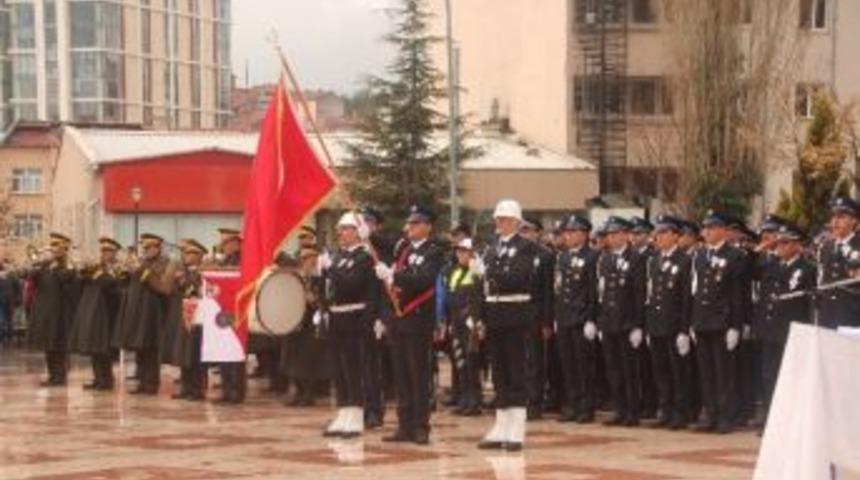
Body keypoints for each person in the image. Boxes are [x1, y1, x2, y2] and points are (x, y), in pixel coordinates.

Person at [375, 205, 444, 446]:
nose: (410, 227)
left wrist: (394, 275)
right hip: (399, 319)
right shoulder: (402, 250)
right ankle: (404, 425)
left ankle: (420, 426)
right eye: (410, 223)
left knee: (418, 374)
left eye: (415, 223)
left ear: (427, 226)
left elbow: (424, 280)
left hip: (418, 320)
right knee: (402, 375)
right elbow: (392, 287)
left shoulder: (434, 252)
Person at [476, 199, 540, 452]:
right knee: (499, 372)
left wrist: (488, 272)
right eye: (497, 219)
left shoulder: (526, 247)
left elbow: (517, 277)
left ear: (515, 221)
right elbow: (482, 289)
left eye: (503, 219)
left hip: (515, 314)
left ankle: (516, 427)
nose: (499, 223)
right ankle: (501, 425)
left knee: (515, 371)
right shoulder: (491, 249)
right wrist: (480, 316)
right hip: (494, 314)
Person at [319, 212, 379, 438]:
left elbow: (351, 284)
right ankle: (344, 411)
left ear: (357, 232)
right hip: (336, 317)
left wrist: (330, 269)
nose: (341, 234)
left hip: (356, 317)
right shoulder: (339, 256)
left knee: (354, 369)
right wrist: (322, 274)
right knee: (339, 369)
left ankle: (356, 415)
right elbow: (329, 289)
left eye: (346, 229)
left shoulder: (364, 257)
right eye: (340, 230)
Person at [689, 211, 746, 433]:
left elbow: (736, 294)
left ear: (723, 230)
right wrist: (693, 321)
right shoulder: (700, 256)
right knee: (707, 372)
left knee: (724, 373)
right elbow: (696, 291)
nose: (707, 232)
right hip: (703, 320)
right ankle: (710, 413)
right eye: (705, 228)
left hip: (722, 322)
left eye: (712, 228)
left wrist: (735, 325)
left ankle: (725, 416)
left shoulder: (735, 256)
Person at [759, 222, 816, 432]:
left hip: (792, 331)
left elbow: (810, 304)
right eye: (779, 242)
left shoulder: (807, 269)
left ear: (797, 245)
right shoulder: (771, 267)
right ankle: (771, 419)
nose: (779, 247)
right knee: (768, 375)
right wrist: (765, 247)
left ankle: (790, 421)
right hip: (771, 328)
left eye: (785, 242)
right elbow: (763, 296)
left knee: (791, 377)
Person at [596, 217, 646, 427]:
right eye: (610, 234)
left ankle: (633, 412)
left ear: (626, 235)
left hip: (627, 323)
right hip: (609, 322)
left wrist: (637, 325)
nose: (612, 238)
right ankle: (620, 408)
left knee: (629, 370)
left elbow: (640, 293)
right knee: (613, 370)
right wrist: (600, 321)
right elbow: (601, 292)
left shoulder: (635, 258)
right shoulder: (605, 259)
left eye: (616, 234)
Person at [645, 215, 693, 429]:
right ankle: (665, 410)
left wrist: (684, 330)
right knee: (660, 371)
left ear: (675, 235)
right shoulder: (654, 260)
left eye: (664, 232)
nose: (659, 237)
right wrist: (648, 326)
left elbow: (686, 298)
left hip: (674, 325)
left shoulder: (684, 260)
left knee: (678, 373)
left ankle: (680, 412)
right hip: (656, 324)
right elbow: (650, 295)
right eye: (658, 233)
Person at [114, 233, 176, 395]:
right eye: (144, 247)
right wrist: (125, 272)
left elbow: (163, 287)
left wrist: (142, 271)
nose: (146, 250)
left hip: (153, 312)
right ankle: (142, 381)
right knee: (139, 348)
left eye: (149, 247)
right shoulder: (142, 263)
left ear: (158, 248)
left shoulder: (165, 263)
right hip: (138, 310)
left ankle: (151, 384)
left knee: (151, 349)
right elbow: (128, 285)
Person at [553, 214, 599, 424]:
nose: (568, 236)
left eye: (572, 232)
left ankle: (585, 407)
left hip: (581, 318)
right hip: (564, 317)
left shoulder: (592, 257)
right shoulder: (562, 257)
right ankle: (572, 404)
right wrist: (556, 315)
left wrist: (591, 318)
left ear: (584, 234)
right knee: (567, 364)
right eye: (567, 232)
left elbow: (593, 291)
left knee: (583, 366)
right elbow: (559, 289)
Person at [68, 237, 124, 391]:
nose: (105, 254)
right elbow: (81, 281)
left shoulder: (117, 268)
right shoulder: (96, 268)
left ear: (114, 253)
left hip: (109, 312)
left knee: (104, 348)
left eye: (109, 251)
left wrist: (99, 275)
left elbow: (114, 286)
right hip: (92, 310)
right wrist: (84, 271)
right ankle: (98, 378)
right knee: (94, 346)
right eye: (103, 251)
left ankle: (106, 380)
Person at [27, 233, 80, 386]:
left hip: (60, 312)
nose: (53, 249)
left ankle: (60, 377)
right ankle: (52, 376)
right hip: (44, 311)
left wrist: (55, 267)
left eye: (57, 245)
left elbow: (67, 280)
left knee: (59, 346)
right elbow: (31, 276)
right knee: (48, 345)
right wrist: (37, 262)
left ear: (65, 248)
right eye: (52, 245)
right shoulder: (45, 265)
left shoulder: (68, 265)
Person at [441, 237, 483, 416]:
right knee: (460, 362)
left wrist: (478, 322)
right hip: (456, 322)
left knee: (472, 361)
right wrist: (448, 321)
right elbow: (450, 298)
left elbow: (479, 298)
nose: (460, 254)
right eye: (458, 251)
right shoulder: (455, 271)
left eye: (464, 251)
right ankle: (464, 399)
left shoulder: (478, 271)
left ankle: (474, 401)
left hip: (471, 323)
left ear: (472, 253)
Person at [518, 217, 555, 421]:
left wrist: (547, 321)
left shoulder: (546, 256)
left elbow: (549, 292)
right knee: (521, 361)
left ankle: (535, 402)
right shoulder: (518, 254)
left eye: (529, 230)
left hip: (537, 314)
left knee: (535, 361)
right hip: (518, 314)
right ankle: (522, 399)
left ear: (538, 232)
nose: (525, 234)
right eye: (522, 230)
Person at [164, 240, 206, 400]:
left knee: (194, 355)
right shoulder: (182, 272)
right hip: (182, 317)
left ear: (199, 256)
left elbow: (201, 292)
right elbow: (168, 290)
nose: (186, 256)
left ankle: (197, 390)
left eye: (190, 253)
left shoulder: (203, 273)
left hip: (197, 319)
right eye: (186, 253)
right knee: (183, 354)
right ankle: (186, 388)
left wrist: (188, 282)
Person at [214, 228, 247, 404]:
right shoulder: (224, 261)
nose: (223, 246)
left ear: (235, 243)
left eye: (226, 243)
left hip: (237, 311)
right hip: (222, 310)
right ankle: (227, 389)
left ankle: (236, 391)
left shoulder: (244, 260)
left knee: (235, 352)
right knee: (224, 351)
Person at [817, 196, 860, 329]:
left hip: (853, 319)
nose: (835, 222)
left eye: (841, 217)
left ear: (854, 221)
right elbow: (822, 281)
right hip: (827, 318)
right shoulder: (825, 247)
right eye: (833, 217)